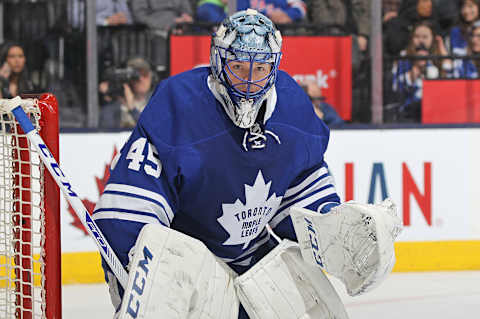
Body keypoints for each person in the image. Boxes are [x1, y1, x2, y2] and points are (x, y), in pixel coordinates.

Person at [93, 9, 401, 318]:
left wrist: (330, 229)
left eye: (261, 69)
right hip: (185, 267)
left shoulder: (291, 108)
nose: (250, 82)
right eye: (239, 67)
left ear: (275, 67)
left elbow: (302, 194)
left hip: (248, 259)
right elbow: (122, 220)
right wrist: (148, 283)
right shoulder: (180, 106)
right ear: (218, 61)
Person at [389, 21, 443, 122]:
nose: (421, 41)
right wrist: (415, 69)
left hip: (435, 111)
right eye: (417, 37)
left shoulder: (438, 57)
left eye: (425, 37)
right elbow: (396, 87)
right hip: (408, 112)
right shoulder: (403, 58)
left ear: (432, 38)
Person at [99, 57, 154, 129]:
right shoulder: (112, 108)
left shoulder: (157, 103)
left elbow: (154, 133)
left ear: (151, 77)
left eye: (145, 75)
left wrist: (132, 109)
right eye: (136, 76)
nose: (141, 79)